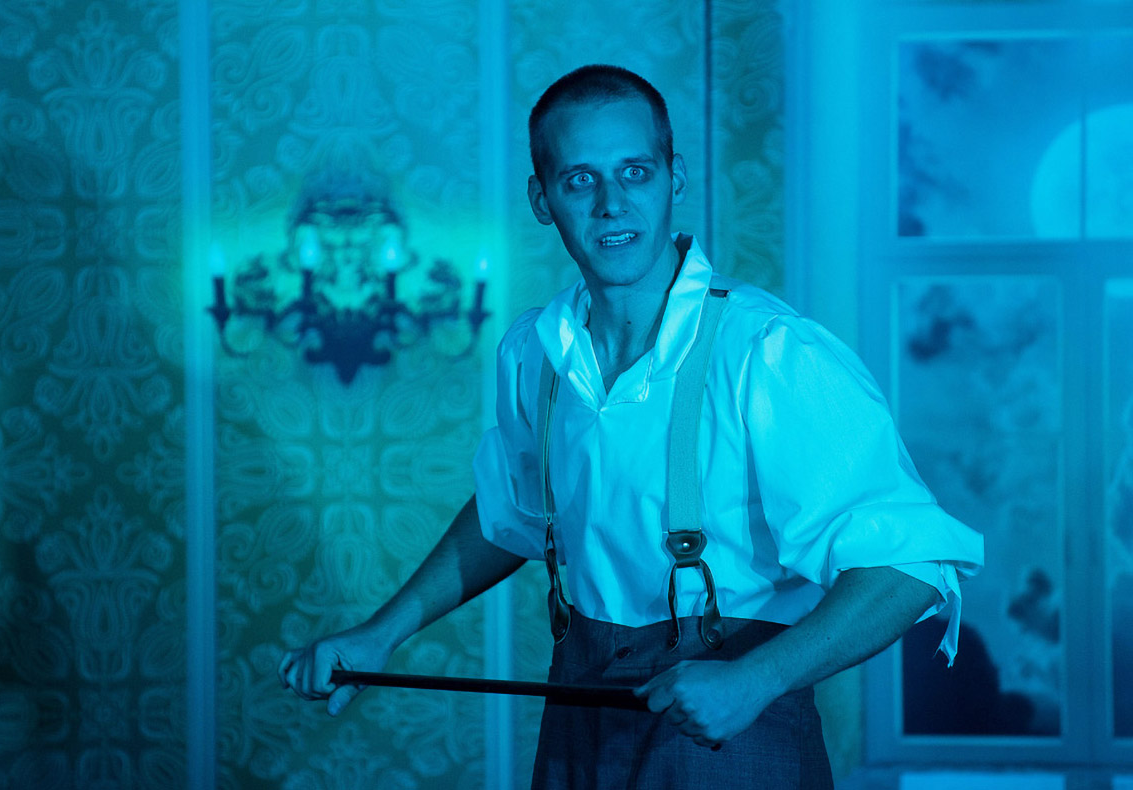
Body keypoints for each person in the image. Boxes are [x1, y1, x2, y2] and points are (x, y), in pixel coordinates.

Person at [279, 64, 983, 788]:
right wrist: (379, 635)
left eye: (635, 172)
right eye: (580, 180)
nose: (612, 204)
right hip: (578, 709)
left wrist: (755, 679)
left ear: (675, 178)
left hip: (734, 723)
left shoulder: (769, 351)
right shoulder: (535, 352)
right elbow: (507, 515)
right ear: (543, 199)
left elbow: (911, 567)